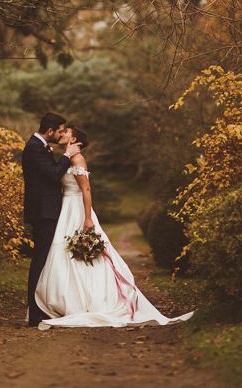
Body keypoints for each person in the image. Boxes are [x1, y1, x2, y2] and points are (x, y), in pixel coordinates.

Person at [34, 125, 193, 329]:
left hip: (78, 209)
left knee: (83, 255)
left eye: (66, 133)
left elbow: (86, 189)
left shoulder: (77, 159)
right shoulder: (67, 157)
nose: (62, 134)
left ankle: (91, 300)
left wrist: (88, 218)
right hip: (66, 209)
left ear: (74, 139)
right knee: (63, 253)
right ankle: (65, 299)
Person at [21, 112, 82, 327]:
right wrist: (67, 156)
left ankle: (41, 307)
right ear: (50, 131)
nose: (61, 134)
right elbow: (53, 174)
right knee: (40, 260)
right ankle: (35, 313)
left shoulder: (41, 146)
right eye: (59, 131)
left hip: (48, 210)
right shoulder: (34, 147)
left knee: (46, 260)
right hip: (42, 212)